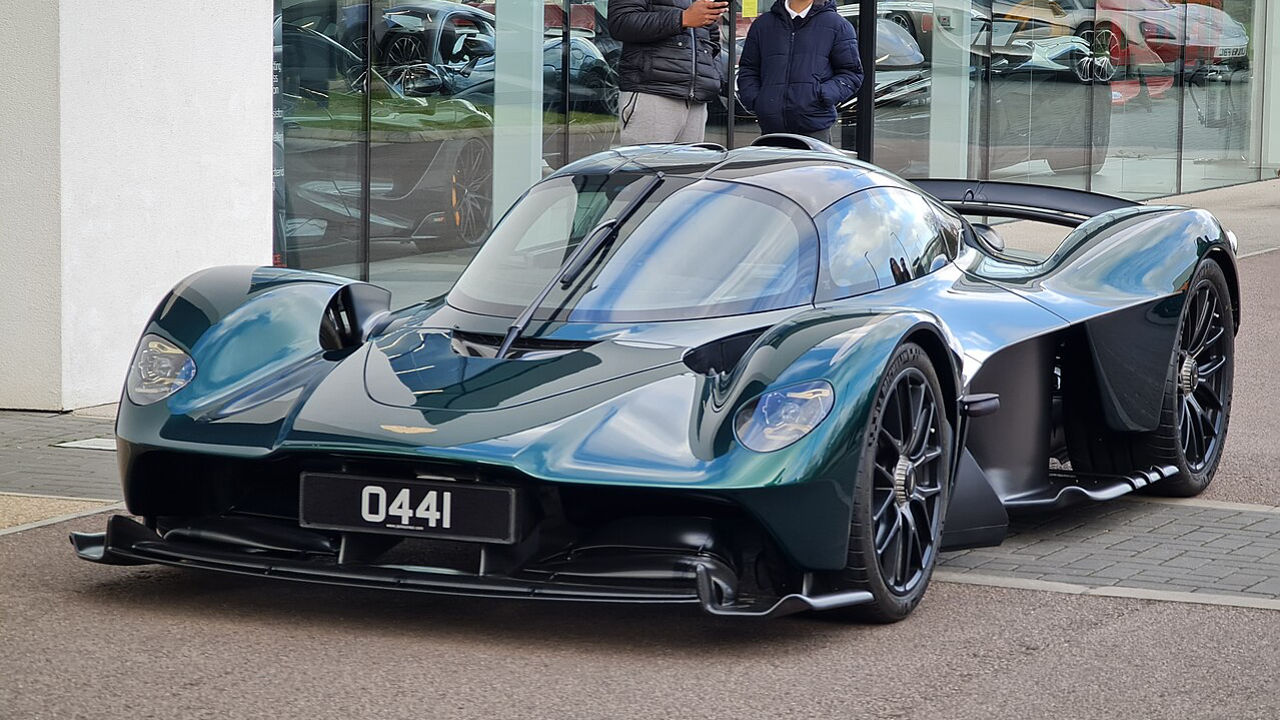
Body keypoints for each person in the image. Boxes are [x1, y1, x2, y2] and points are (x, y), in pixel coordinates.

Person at [737, 0, 863, 144]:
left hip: (815, 128)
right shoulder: (763, 24)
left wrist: (822, 95)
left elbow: (851, 73)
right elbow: (749, 69)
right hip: (771, 128)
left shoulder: (837, 25)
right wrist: (757, 100)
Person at [608, 0, 727, 144]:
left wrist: (714, 74)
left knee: (690, 165)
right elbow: (620, 23)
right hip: (652, 91)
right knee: (647, 164)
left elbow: (711, 35)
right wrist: (682, 18)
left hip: (696, 98)